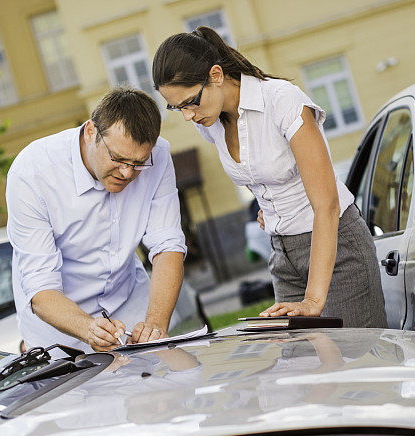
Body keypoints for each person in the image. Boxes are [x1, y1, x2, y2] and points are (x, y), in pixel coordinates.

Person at [152, 27, 386, 328]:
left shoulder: (282, 101)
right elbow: (265, 175)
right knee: (303, 368)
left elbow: (326, 205)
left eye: (190, 102)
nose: (187, 115)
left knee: (358, 365)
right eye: (176, 107)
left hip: (337, 250)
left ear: (216, 75)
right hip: (282, 255)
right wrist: (272, 209)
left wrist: (314, 299)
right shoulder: (210, 123)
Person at [6, 87, 187, 352]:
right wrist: (88, 328)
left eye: (138, 163)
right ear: (91, 132)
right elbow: (40, 288)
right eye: (118, 159)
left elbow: (168, 245)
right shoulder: (32, 172)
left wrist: (155, 325)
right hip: (59, 326)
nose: (127, 173)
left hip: (129, 302)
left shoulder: (158, 155)